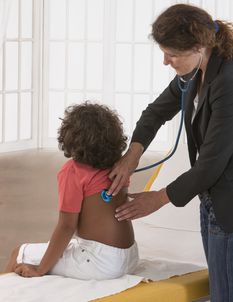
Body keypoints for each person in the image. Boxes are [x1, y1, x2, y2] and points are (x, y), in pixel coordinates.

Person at [107, 3, 233, 301]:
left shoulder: (227, 83)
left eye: (173, 54)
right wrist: (131, 156)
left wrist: (158, 198)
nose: (166, 61)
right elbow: (155, 113)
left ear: (199, 46)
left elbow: (210, 166)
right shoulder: (194, 73)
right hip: (212, 200)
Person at [4, 102, 138, 280]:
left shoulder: (73, 171)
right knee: (71, 245)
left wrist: (40, 269)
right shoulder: (119, 166)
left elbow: (67, 226)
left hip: (102, 262)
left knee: (19, 253)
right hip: (130, 256)